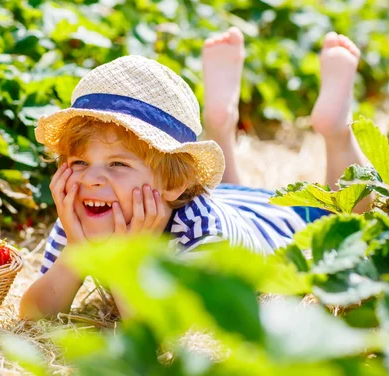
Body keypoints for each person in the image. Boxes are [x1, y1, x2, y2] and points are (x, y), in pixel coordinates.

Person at [19, 30, 367, 320]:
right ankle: (220, 119)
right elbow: (33, 315)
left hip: (277, 223)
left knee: (350, 215)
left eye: (117, 165)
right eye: (79, 163)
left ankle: (336, 131)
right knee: (230, 189)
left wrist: (130, 255)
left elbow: (154, 334)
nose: (90, 179)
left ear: (172, 184)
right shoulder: (82, 216)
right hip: (229, 201)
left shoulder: (199, 235)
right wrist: (76, 251)